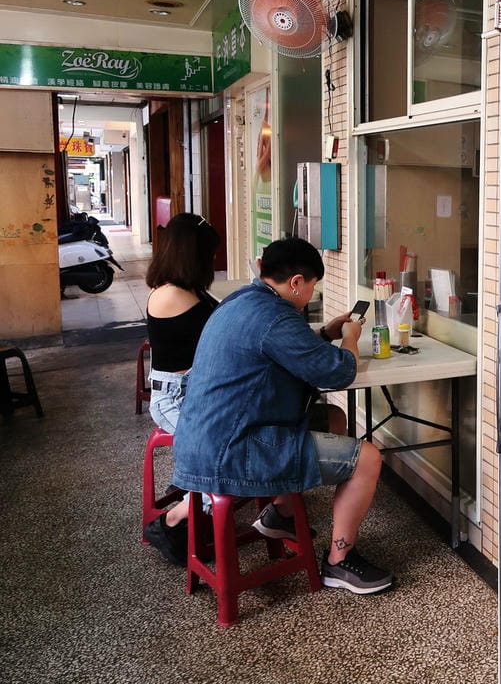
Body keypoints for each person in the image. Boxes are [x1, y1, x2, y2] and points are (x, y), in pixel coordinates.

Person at [170, 237, 393, 595]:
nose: (309, 294)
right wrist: (350, 337)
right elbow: (336, 372)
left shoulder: (243, 300)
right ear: (296, 283)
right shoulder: (275, 317)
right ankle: (339, 563)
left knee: (333, 419)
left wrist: (324, 333)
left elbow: (276, 348)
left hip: (204, 439)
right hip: (234, 451)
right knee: (367, 459)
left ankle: (281, 513)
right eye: (312, 286)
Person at [141, 213, 221, 566]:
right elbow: (219, 329)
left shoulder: (187, 289)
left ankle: (204, 508)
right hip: (174, 399)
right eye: (209, 253)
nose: (214, 260)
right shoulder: (172, 295)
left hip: (195, 392)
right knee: (222, 452)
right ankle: (173, 518)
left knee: (237, 441)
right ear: (194, 254)